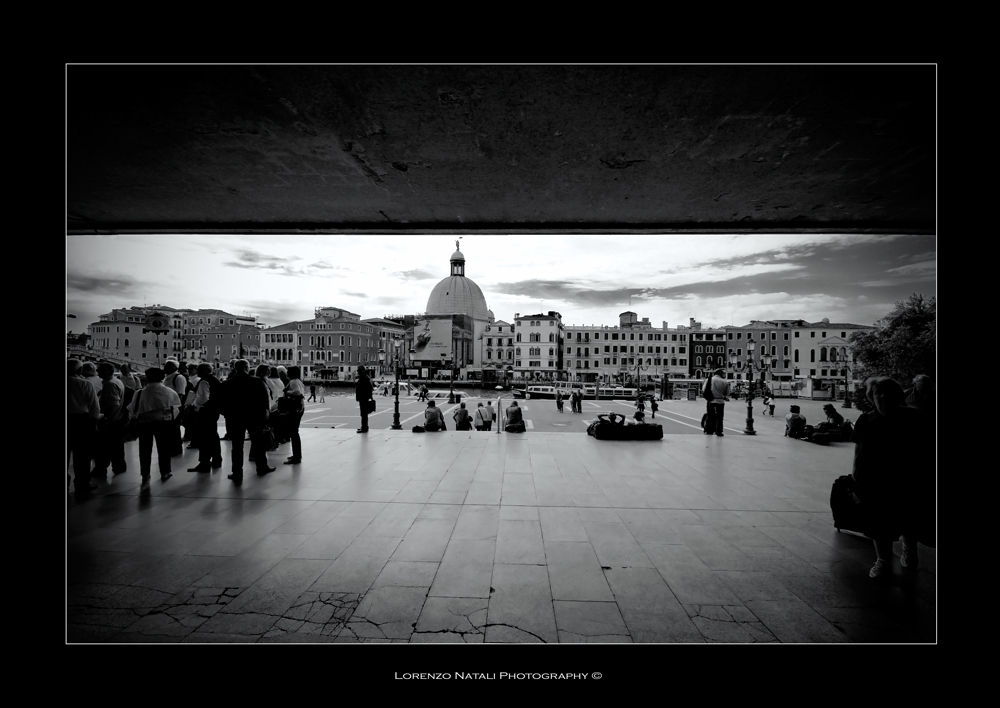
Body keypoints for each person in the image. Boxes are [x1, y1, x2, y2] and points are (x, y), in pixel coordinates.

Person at [852, 376, 934, 579]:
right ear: (872, 397)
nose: (882, 397)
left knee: (909, 516)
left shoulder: (915, 418)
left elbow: (927, 450)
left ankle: (909, 549)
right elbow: (858, 449)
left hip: (907, 476)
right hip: (874, 478)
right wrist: (856, 474)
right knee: (878, 520)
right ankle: (883, 559)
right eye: (878, 393)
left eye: (887, 393)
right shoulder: (865, 420)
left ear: (897, 396)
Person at [221, 360, 274, 482]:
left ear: (235, 368)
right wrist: (265, 413)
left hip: (235, 417)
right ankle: (262, 467)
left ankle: (237, 472)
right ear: (246, 367)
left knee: (237, 446)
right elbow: (264, 399)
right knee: (258, 443)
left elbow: (221, 401)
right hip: (254, 417)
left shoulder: (227, 383)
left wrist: (227, 414)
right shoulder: (256, 381)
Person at [128, 367, 181, 483]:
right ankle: (165, 472)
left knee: (145, 449)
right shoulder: (170, 392)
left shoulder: (139, 393)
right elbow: (176, 409)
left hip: (144, 424)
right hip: (163, 424)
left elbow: (132, 409)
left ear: (147, 378)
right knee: (164, 448)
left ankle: (145, 473)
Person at [68, 359, 102, 494]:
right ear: (79, 371)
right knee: (82, 456)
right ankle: (82, 484)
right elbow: (94, 409)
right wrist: (94, 421)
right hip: (81, 422)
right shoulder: (85, 384)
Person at [186, 363, 223, 472]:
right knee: (213, 436)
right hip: (213, 411)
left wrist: (193, 406)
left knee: (203, 438)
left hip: (204, 412)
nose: (198, 371)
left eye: (200, 369)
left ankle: (204, 462)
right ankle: (217, 459)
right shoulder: (215, 381)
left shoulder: (203, 381)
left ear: (205, 370)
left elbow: (203, 398)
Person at [93, 362, 128, 478]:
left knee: (103, 447)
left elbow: (113, 404)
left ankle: (101, 468)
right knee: (116, 446)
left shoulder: (110, 385)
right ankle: (119, 466)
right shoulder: (117, 382)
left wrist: (105, 418)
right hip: (118, 419)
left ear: (108, 371)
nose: (97, 371)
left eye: (100, 369)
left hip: (111, 421)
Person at [162, 360, 187, 456]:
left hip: (174, 407)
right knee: (169, 428)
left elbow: (180, 394)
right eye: (166, 365)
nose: (166, 367)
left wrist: (176, 408)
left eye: (169, 366)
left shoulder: (178, 377)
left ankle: (176, 448)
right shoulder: (166, 378)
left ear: (175, 367)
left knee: (174, 428)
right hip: (167, 406)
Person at [282, 366, 306, 464]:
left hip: (295, 409)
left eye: (288, 372)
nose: (287, 373)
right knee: (294, 432)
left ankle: (296, 457)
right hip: (300, 408)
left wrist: (286, 392)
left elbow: (297, 392)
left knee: (293, 432)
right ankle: (297, 455)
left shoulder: (293, 382)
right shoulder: (299, 381)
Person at [704, 369, 730, 437]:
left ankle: (709, 430)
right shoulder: (724, 382)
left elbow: (704, 390)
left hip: (711, 400)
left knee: (710, 416)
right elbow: (727, 393)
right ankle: (719, 431)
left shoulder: (708, 380)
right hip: (720, 401)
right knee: (720, 417)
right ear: (720, 373)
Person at [355, 365, 374, 433]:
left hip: (363, 398)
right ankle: (364, 427)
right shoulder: (364, 378)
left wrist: (367, 396)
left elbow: (369, 388)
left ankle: (364, 427)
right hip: (362, 398)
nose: (357, 372)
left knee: (364, 414)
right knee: (363, 414)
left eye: (358, 371)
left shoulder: (364, 378)